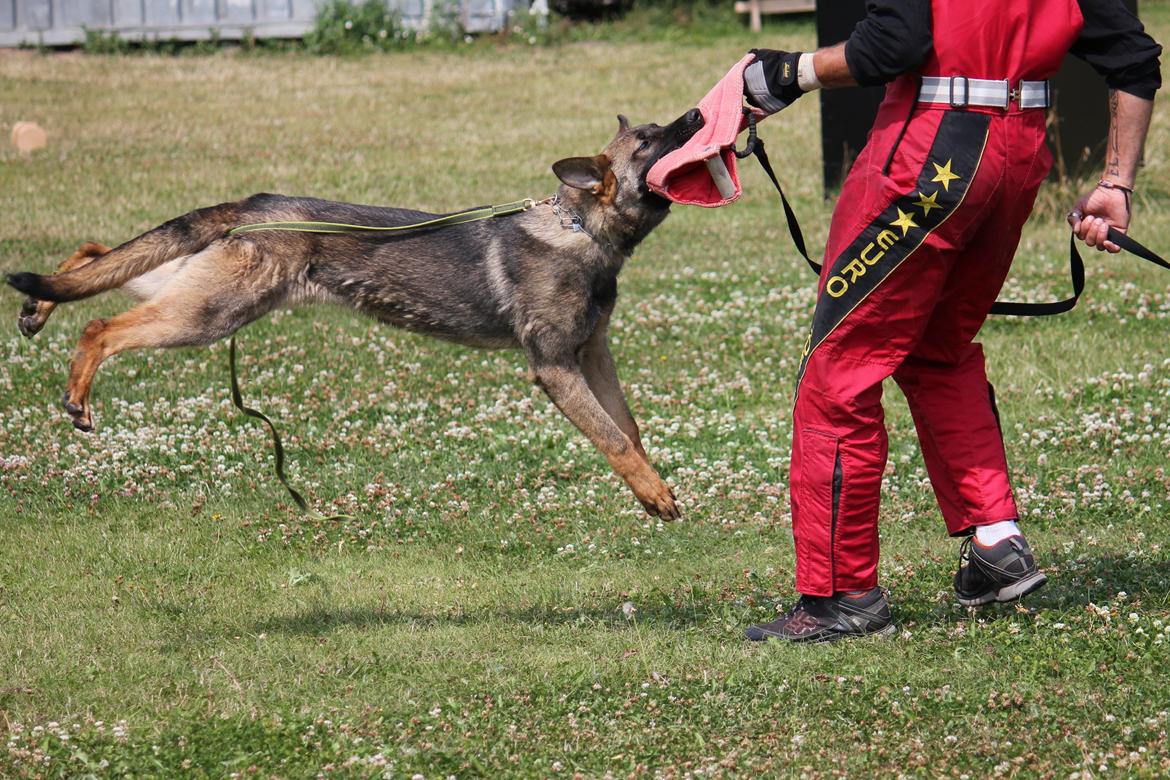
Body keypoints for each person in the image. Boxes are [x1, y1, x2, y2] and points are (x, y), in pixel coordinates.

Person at [739, 0, 1161, 643]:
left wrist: (788, 74)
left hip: (930, 152)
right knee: (939, 347)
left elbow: (893, 45)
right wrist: (1117, 184)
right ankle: (995, 539)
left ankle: (841, 597)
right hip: (1017, 154)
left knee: (840, 371)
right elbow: (1134, 58)